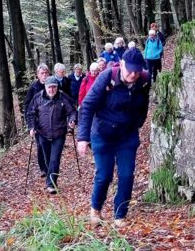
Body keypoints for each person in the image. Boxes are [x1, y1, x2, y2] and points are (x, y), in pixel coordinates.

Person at [77, 48, 151, 226]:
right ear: (122, 64)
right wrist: (82, 137)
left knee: (126, 175)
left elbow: (144, 104)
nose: (133, 74)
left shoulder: (144, 80)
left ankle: (120, 214)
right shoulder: (107, 77)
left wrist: (138, 123)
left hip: (127, 135)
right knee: (104, 175)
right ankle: (95, 209)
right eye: (130, 69)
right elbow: (87, 106)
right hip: (103, 134)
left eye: (137, 70)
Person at [27, 76, 77, 194]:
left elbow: (72, 111)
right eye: (50, 87)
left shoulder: (63, 97)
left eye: (54, 87)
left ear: (57, 87)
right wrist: (31, 127)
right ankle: (51, 178)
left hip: (59, 134)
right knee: (48, 158)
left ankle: (51, 184)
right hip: (42, 134)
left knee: (55, 159)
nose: (52, 89)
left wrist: (72, 120)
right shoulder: (38, 98)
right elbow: (31, 113)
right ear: (45, 87)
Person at [24, 63, 50, 177]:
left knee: (49, 145)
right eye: (42, 73)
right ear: (37, 75)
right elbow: (27, 106)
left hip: (51, 121)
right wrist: (30, 125)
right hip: (37, 122)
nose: (44, 75)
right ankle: (43, 168)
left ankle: (51, 166)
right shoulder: (33, 87)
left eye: (46, 73)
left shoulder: (52, 84)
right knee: (40, 145)